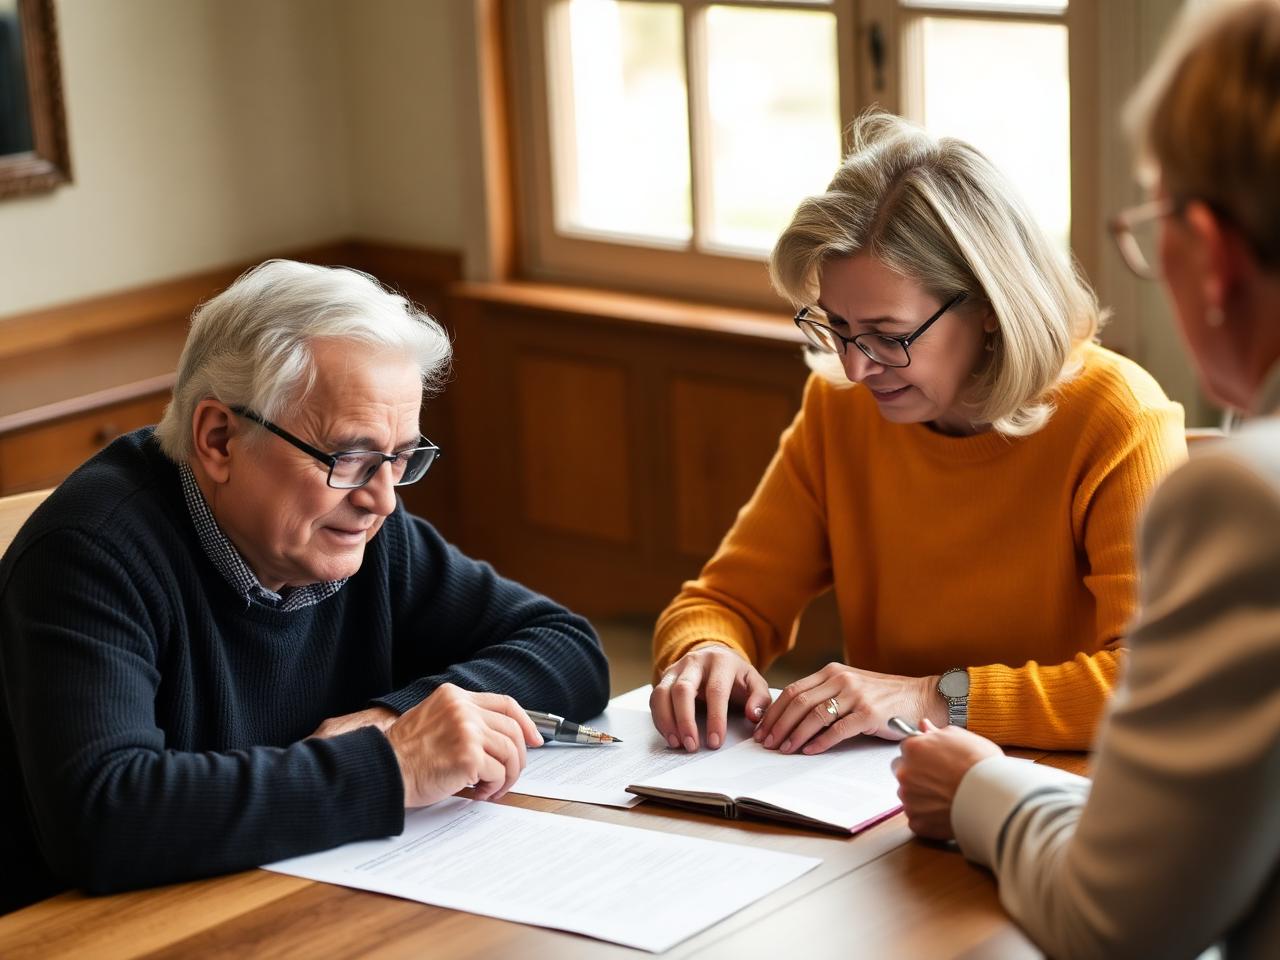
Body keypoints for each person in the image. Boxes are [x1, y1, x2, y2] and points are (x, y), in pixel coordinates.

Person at [0, 260, 610, 914]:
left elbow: (567, 647)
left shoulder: (362, 530)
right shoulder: (89, 555)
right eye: (348, 457)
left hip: (295, 888)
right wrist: (390, 766)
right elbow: (104, 817)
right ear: (218, 438)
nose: (382, 500)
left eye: (400, 457)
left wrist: (394, 718)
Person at [894, 2, 1280, 956]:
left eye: (1154, 231)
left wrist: (978, 786)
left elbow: (1119, 924)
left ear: (1215, 255)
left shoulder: (1248, 501)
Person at [651, 112, 1187, 756]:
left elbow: (1159, 681)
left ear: (990, 306)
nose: (856, 365)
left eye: (889, 335)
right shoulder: (840, 405)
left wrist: (930, 697)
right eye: (838, 327)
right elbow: (726, 600)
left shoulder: (1117, 418)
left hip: (1057, 801)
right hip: (884, 793)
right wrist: (707, 650)